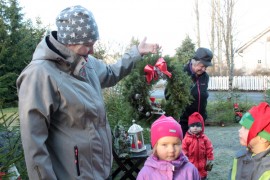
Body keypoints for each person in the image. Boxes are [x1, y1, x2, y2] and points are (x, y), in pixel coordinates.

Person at [16, 5, 160, 180]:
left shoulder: (86, 62)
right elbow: (34, 144)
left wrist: (136, 53)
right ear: (68, 42)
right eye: (87, 45)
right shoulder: (39, 75)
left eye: (93, 43)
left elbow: (110, 73)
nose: (92, 51)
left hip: (100, 172)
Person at [137, 115, 200, 180]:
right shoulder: (146, 174)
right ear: (155, 147)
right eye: (164, 145)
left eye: (175, 144)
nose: (171, 150)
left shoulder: (191, 170)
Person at [229, 102, 270, 180]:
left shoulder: (267, 170)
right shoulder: (239, 157)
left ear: (263, 138)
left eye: (245, 128)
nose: (239, 130)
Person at [180, 47, 213, 137]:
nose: (204, 69)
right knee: (185, 148)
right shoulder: (181, 73)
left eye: (205, 67)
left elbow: (203, 96)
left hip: (199, 122)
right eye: (202, 66)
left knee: (198, 148)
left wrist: (203, 117)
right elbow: (169, 96)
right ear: (194, 62)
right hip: (184, 123)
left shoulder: (205, 77)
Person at [182, 112, 214, 180]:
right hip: (191, 163)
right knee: (191, 176)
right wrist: (185, 159)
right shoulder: (187, 138)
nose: (195, 128)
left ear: (202, 127)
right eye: (193, 126)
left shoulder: (204, 138)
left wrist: (210, 158)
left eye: (198, 126)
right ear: (189, 127)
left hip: (202, 164)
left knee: (202, 176)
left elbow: (209, 148)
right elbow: (183, 149)